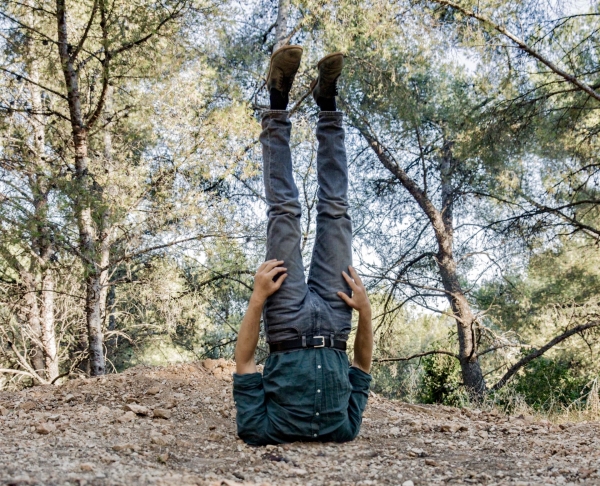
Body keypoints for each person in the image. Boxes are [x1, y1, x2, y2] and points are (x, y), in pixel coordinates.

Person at [232, 45, 373, 445]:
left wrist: (257, 299)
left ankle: (278, 98)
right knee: (336, 212)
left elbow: (244, 363)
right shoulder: (344, 430)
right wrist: (365, 312)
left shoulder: (260, 431)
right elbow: (361, 366)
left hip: (285, 319)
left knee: (284, 212)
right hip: (336, 318)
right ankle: (327, 103)